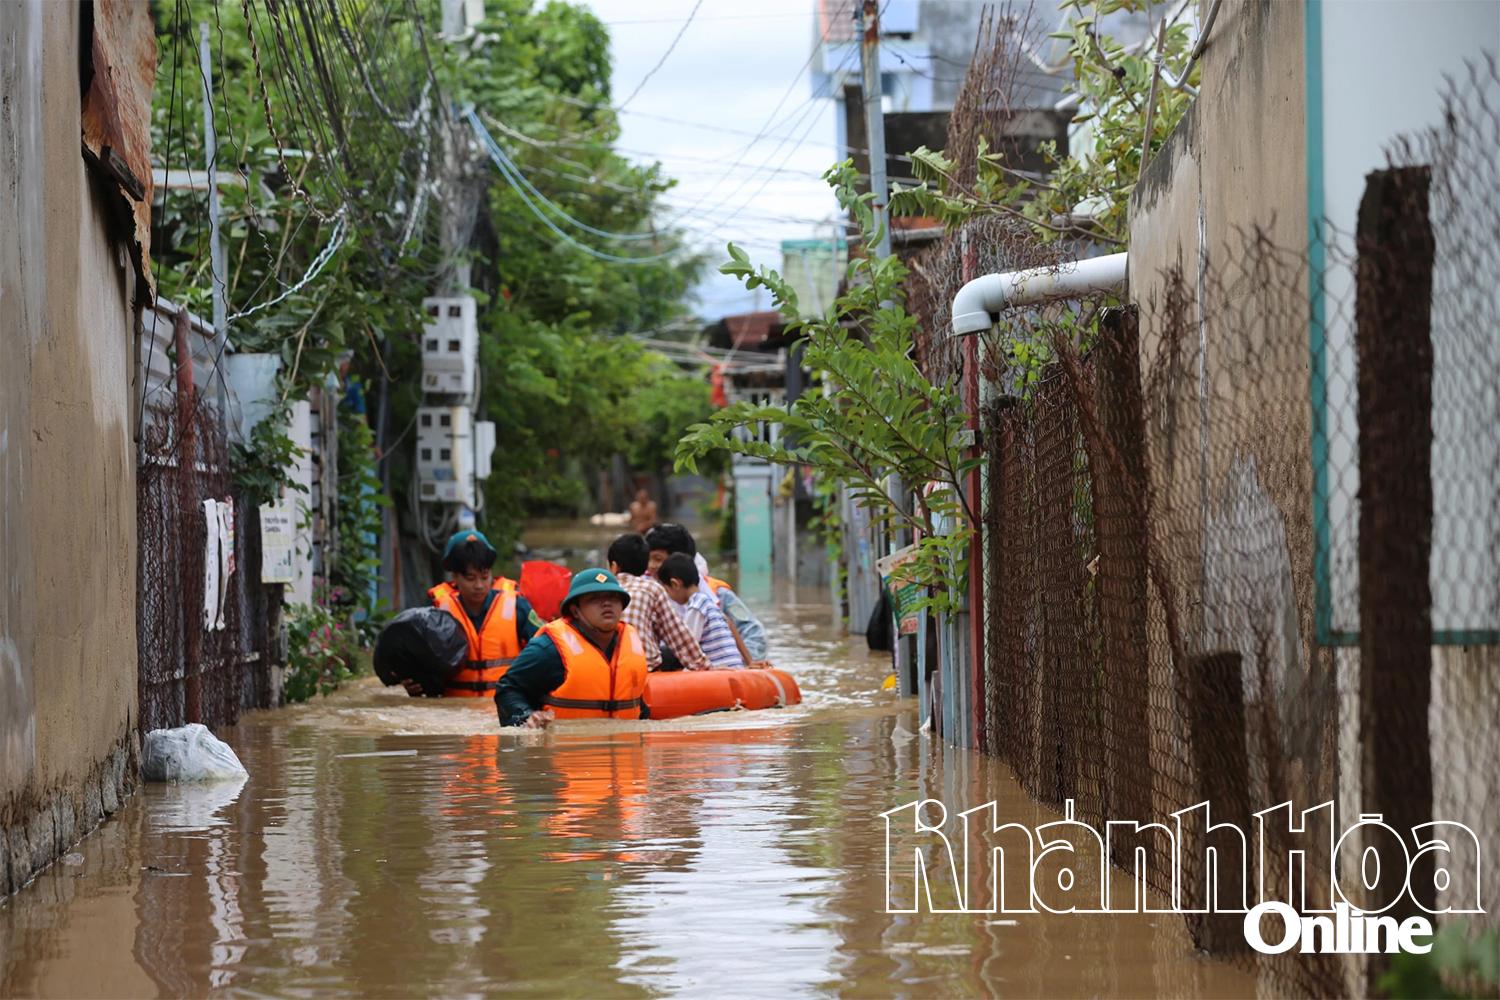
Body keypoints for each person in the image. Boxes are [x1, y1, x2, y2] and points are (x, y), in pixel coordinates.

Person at [494, 568, 649, 728]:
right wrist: (526, 717)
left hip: (624, 748)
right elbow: (507, 689)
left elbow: (638, 705)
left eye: (613, 597)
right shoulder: (548, 649)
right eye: (594, 598)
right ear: (575, 610)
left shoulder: (631, 644)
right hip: (567, 750)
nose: (607, 603)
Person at [429, 529, 543, 697]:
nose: (479, 585)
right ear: (454, 577)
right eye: (470, 578)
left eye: (484, 576)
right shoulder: (436, 612)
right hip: (456, 710)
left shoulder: (517, 606)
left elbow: (544, 652)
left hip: (505, 705)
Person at [643, 523, 769, 663]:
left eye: (658, 559)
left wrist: (747, 664)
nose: (651, 566)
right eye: (648, 559)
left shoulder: (717, 594)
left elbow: (752, 632)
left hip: (707, 667)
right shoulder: (643, 591)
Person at [607, 533, 713, 672]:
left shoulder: (600, 591)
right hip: (644, 669)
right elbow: (678, 637)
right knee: (670, 652)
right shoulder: (652, 588)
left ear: (614, 567)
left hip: (607, 668)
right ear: (644, 566)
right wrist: (706, 668)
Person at [656, 553, 744, 669]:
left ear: (675, 584)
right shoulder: (708, 602)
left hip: (721, 669)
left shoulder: (696, 607)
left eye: (667, 590)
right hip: (735, 665)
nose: (668, 596)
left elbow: (688, 646)